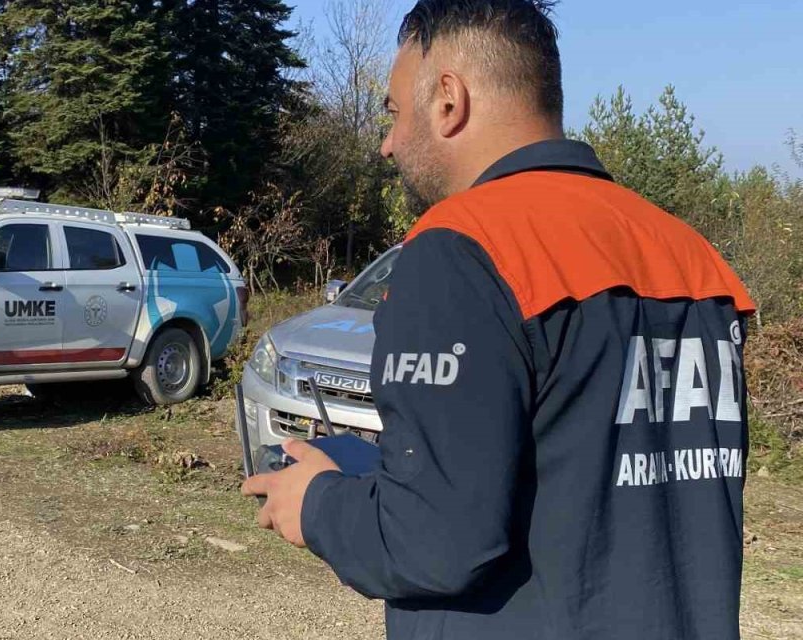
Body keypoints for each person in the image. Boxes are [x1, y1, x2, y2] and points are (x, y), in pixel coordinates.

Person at [241, 1, 756, 638]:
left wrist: (315, 504)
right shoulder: (688, 253)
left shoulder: (463, 247)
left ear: (449, 100)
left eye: (395, 114)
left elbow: (431, 539)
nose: (388, 144)